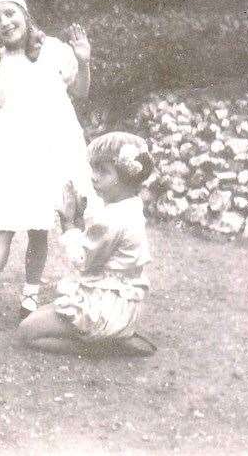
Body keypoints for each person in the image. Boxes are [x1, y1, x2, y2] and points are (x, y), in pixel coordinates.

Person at [0, 0, 93, 336]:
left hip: (52, 145)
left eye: (11, 13)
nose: (5, 23)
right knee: (3, 225)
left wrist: (84, 61)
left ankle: (30, 294)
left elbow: (81, 92)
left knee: (39, 226)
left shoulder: (56, 52)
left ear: (25, 15)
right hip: (13, 149)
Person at [18, 132, 157, 357]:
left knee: (27, 332)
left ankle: (98, 346)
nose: (94, 177)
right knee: (47, 311)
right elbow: (99, 248)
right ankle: (114, 336)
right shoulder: (130, 205)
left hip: (105, 309)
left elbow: (82, 261)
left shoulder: (112, 218)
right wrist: (81, 222)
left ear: (125, 176)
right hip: (122, 305)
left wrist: (69, 224)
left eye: (103, 171)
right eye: (94, 169)